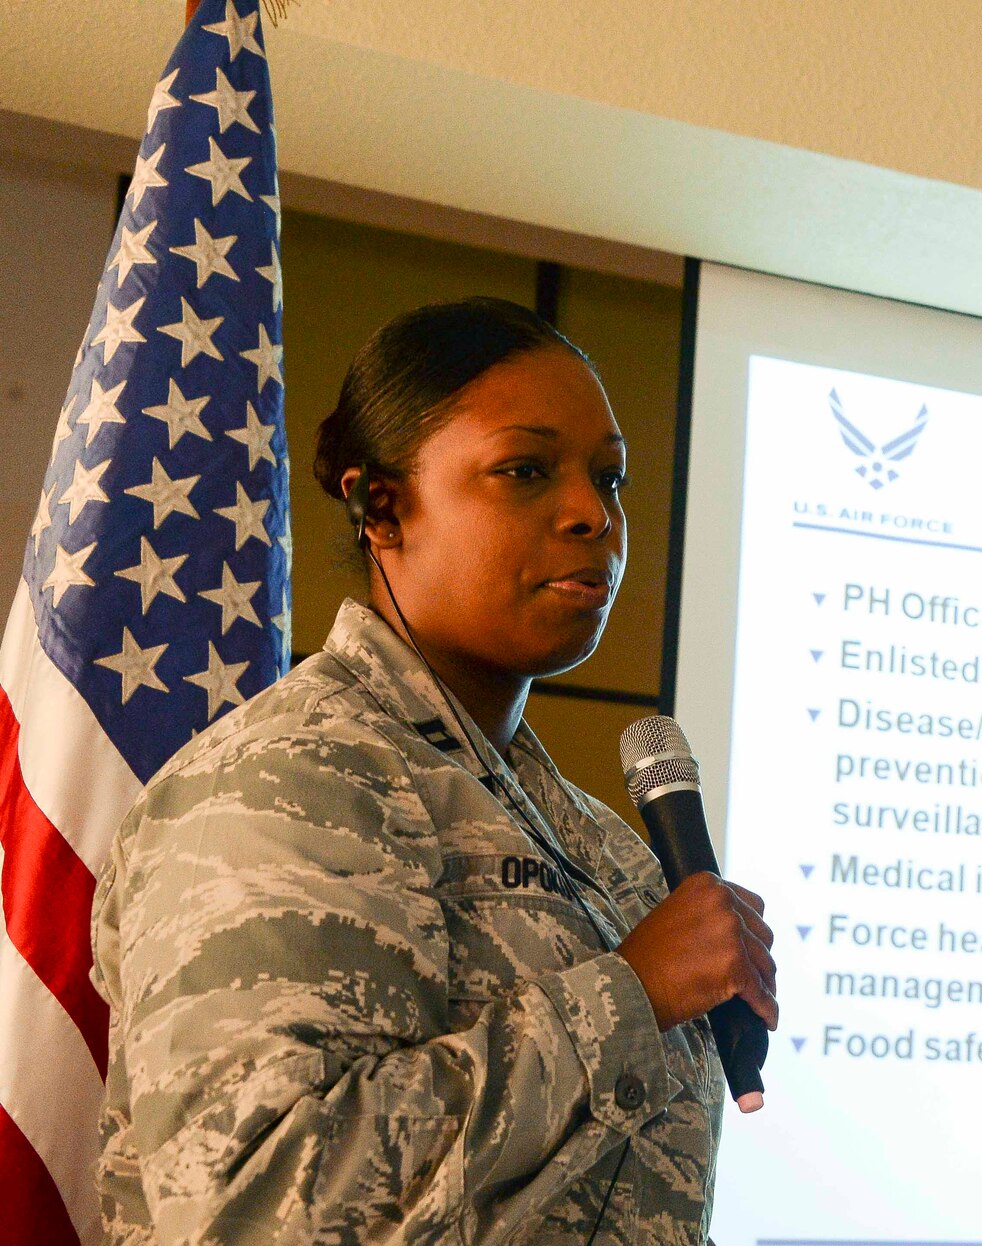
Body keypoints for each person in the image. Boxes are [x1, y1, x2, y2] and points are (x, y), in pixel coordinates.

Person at [90, 298, 777, 1244]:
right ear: (382, 508)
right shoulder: (282, 780)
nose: (593, 514)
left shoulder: (604, 845)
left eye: (608, 478)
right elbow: (253, 1206)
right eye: (525, 471)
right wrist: (630, 994)